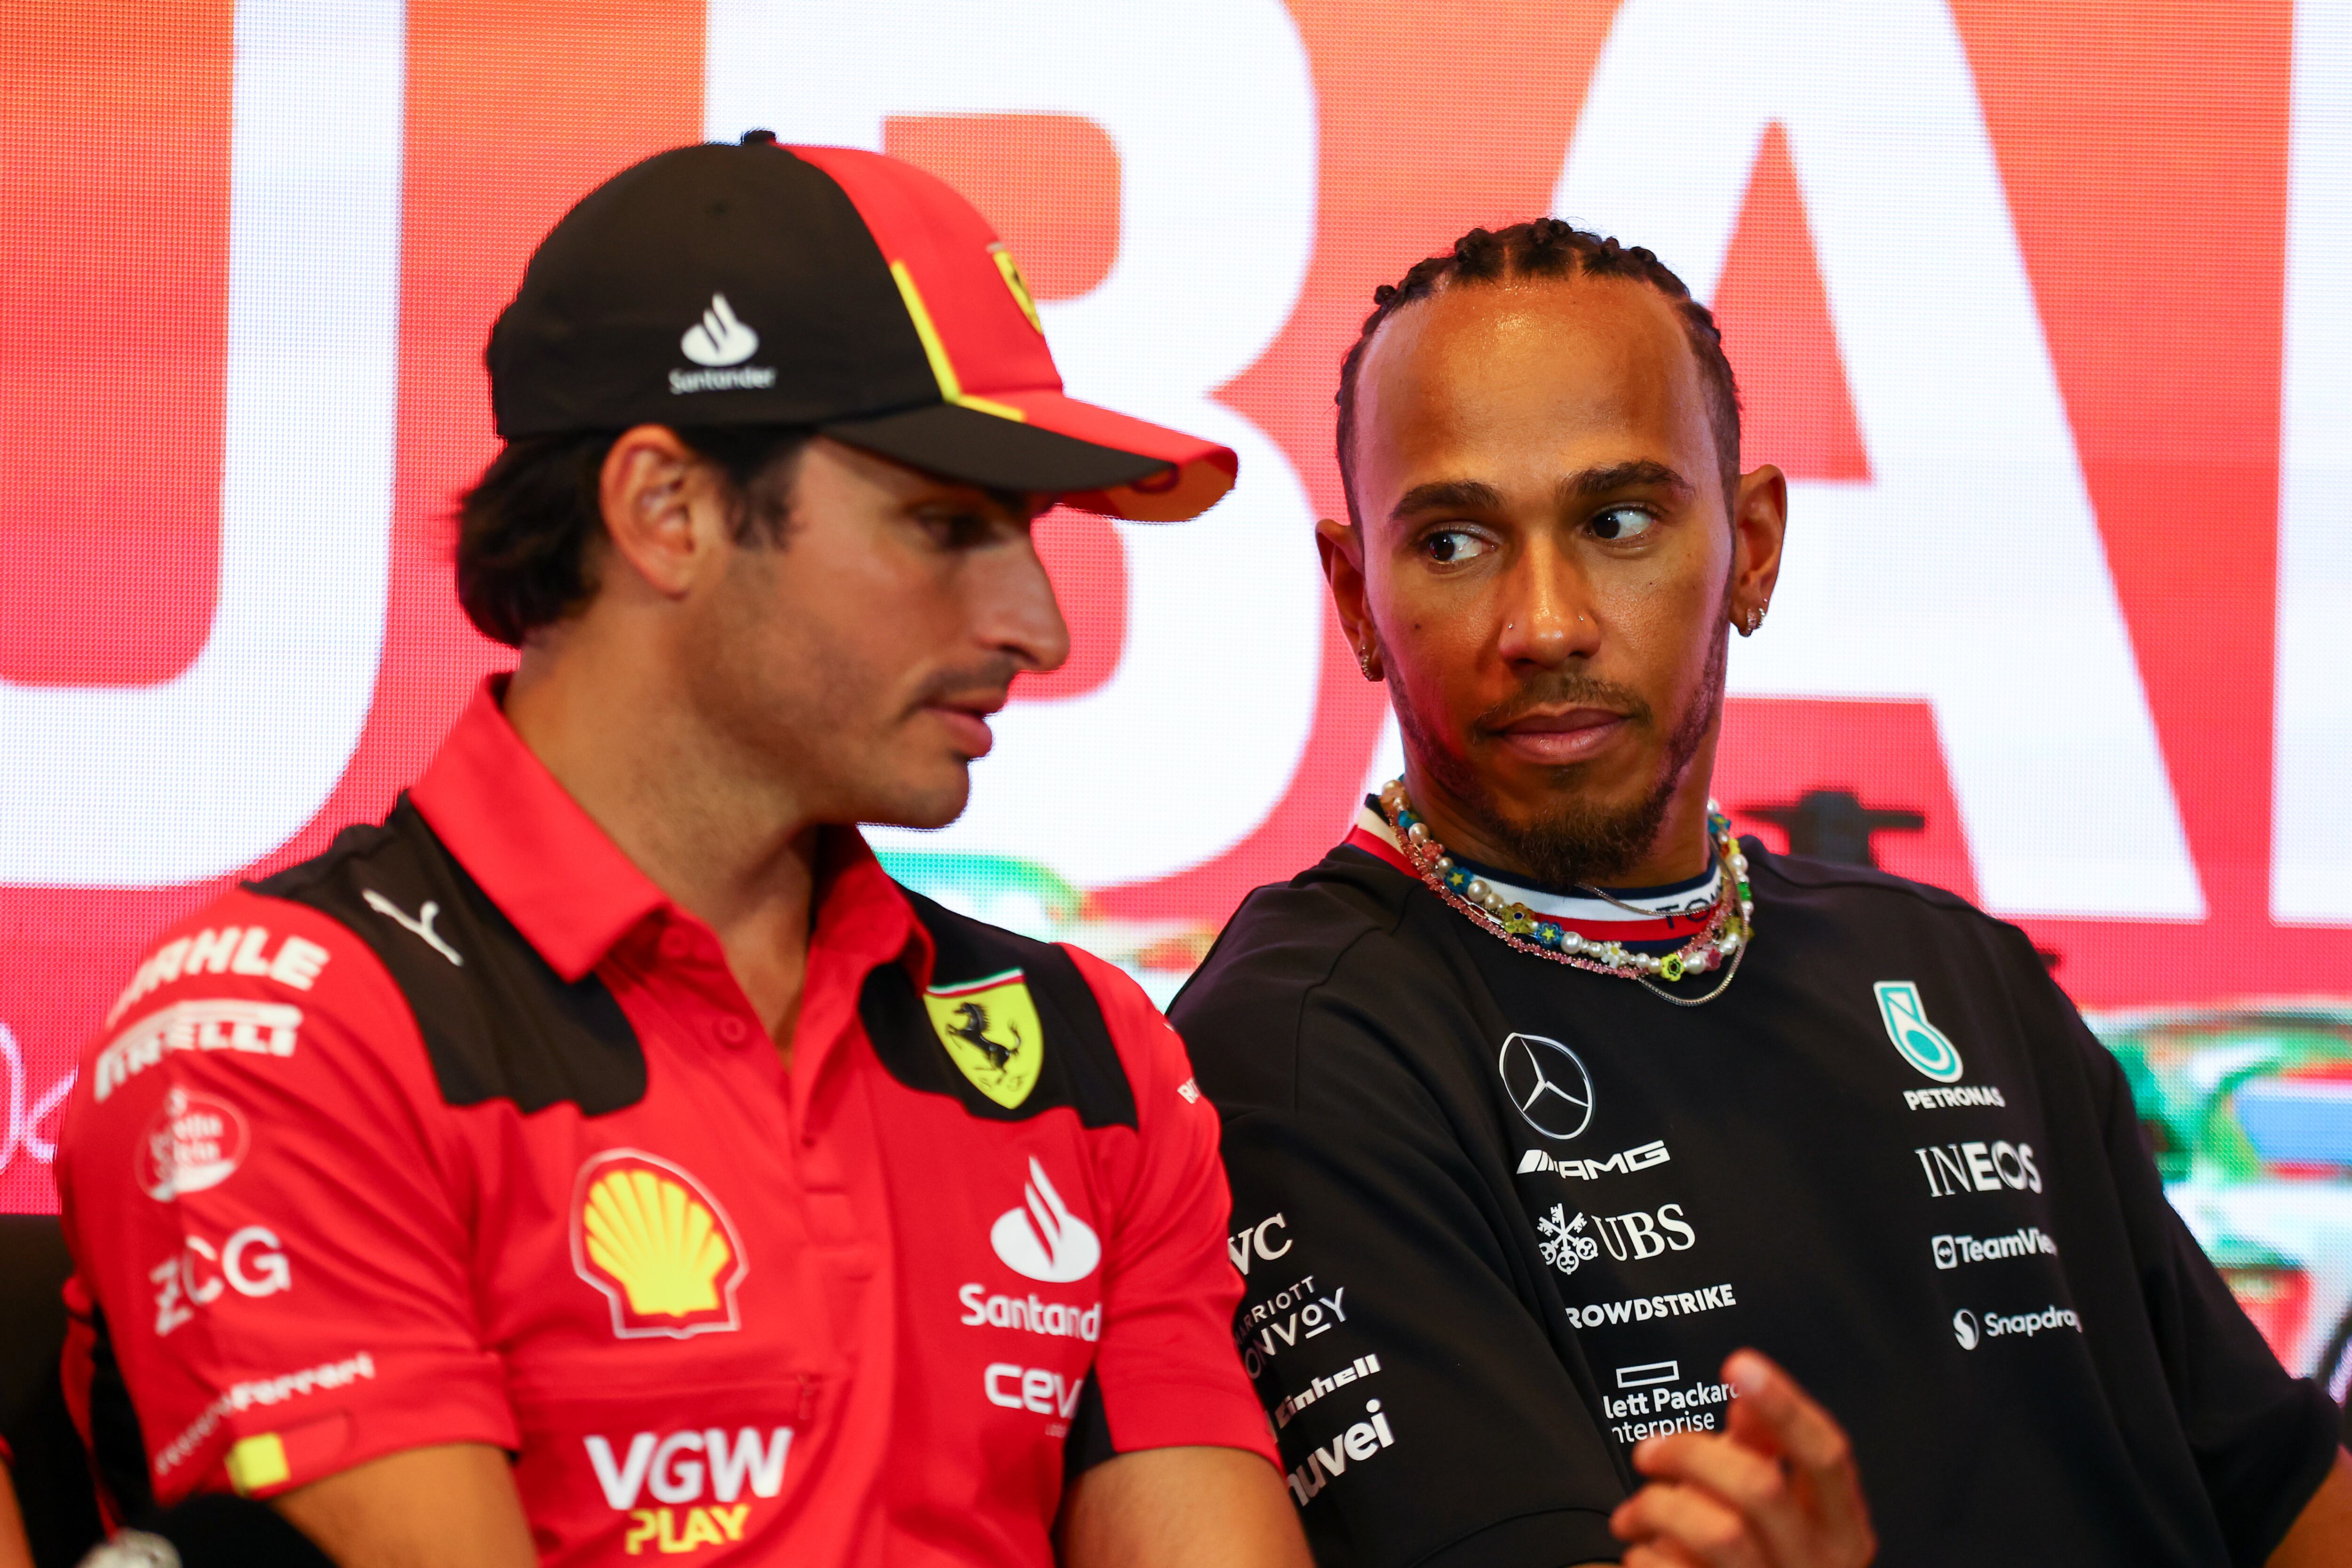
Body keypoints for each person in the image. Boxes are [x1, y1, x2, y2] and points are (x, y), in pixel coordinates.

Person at [53, 135, 1308, 1568]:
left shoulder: (1091, 1055)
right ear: (668, 510)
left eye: (1023, 531)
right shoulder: (283, 1035)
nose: (1041, 627)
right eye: (946, 525)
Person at [1169, 218, 2352, 1567]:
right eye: (1453, 541)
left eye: (1618, 522)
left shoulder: (1957, 971)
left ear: (1755, 546)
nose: (1544, 622)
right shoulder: (1299, 1047)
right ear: (1355, 596)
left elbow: (2289, 1501)